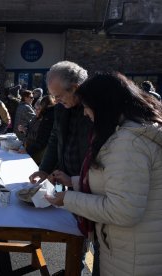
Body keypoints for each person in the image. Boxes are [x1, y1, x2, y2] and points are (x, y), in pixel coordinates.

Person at [46, 72, 162, 275]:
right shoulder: (129, 132)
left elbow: (123, 211)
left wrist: (68, 198)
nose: (85, 113)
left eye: (87, 106)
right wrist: (72, 181)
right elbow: (115, 182)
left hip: (133, 257)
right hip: (132, 248)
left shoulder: (128, 143)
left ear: (103, 105)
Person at [29, 61, 91, 184]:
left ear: (75, 88)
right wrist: (44, 170)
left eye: (58, 96)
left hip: (86, 183)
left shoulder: (94, 111)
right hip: (62, 177)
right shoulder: (60, 108)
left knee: (72, 203)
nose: (56, 101)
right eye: (53, 96)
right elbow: (54, 139)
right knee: (57, 200)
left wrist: (76, 182)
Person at [19, 95, 56, 164]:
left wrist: (25, 131)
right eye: (35, 108)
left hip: (38, 154)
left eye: (38, 109)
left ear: (43, 109)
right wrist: (24, 128)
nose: (36, 111)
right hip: (30, 149)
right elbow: (30, 128)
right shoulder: (35, 118)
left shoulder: (46, 120)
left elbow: (41, 138)